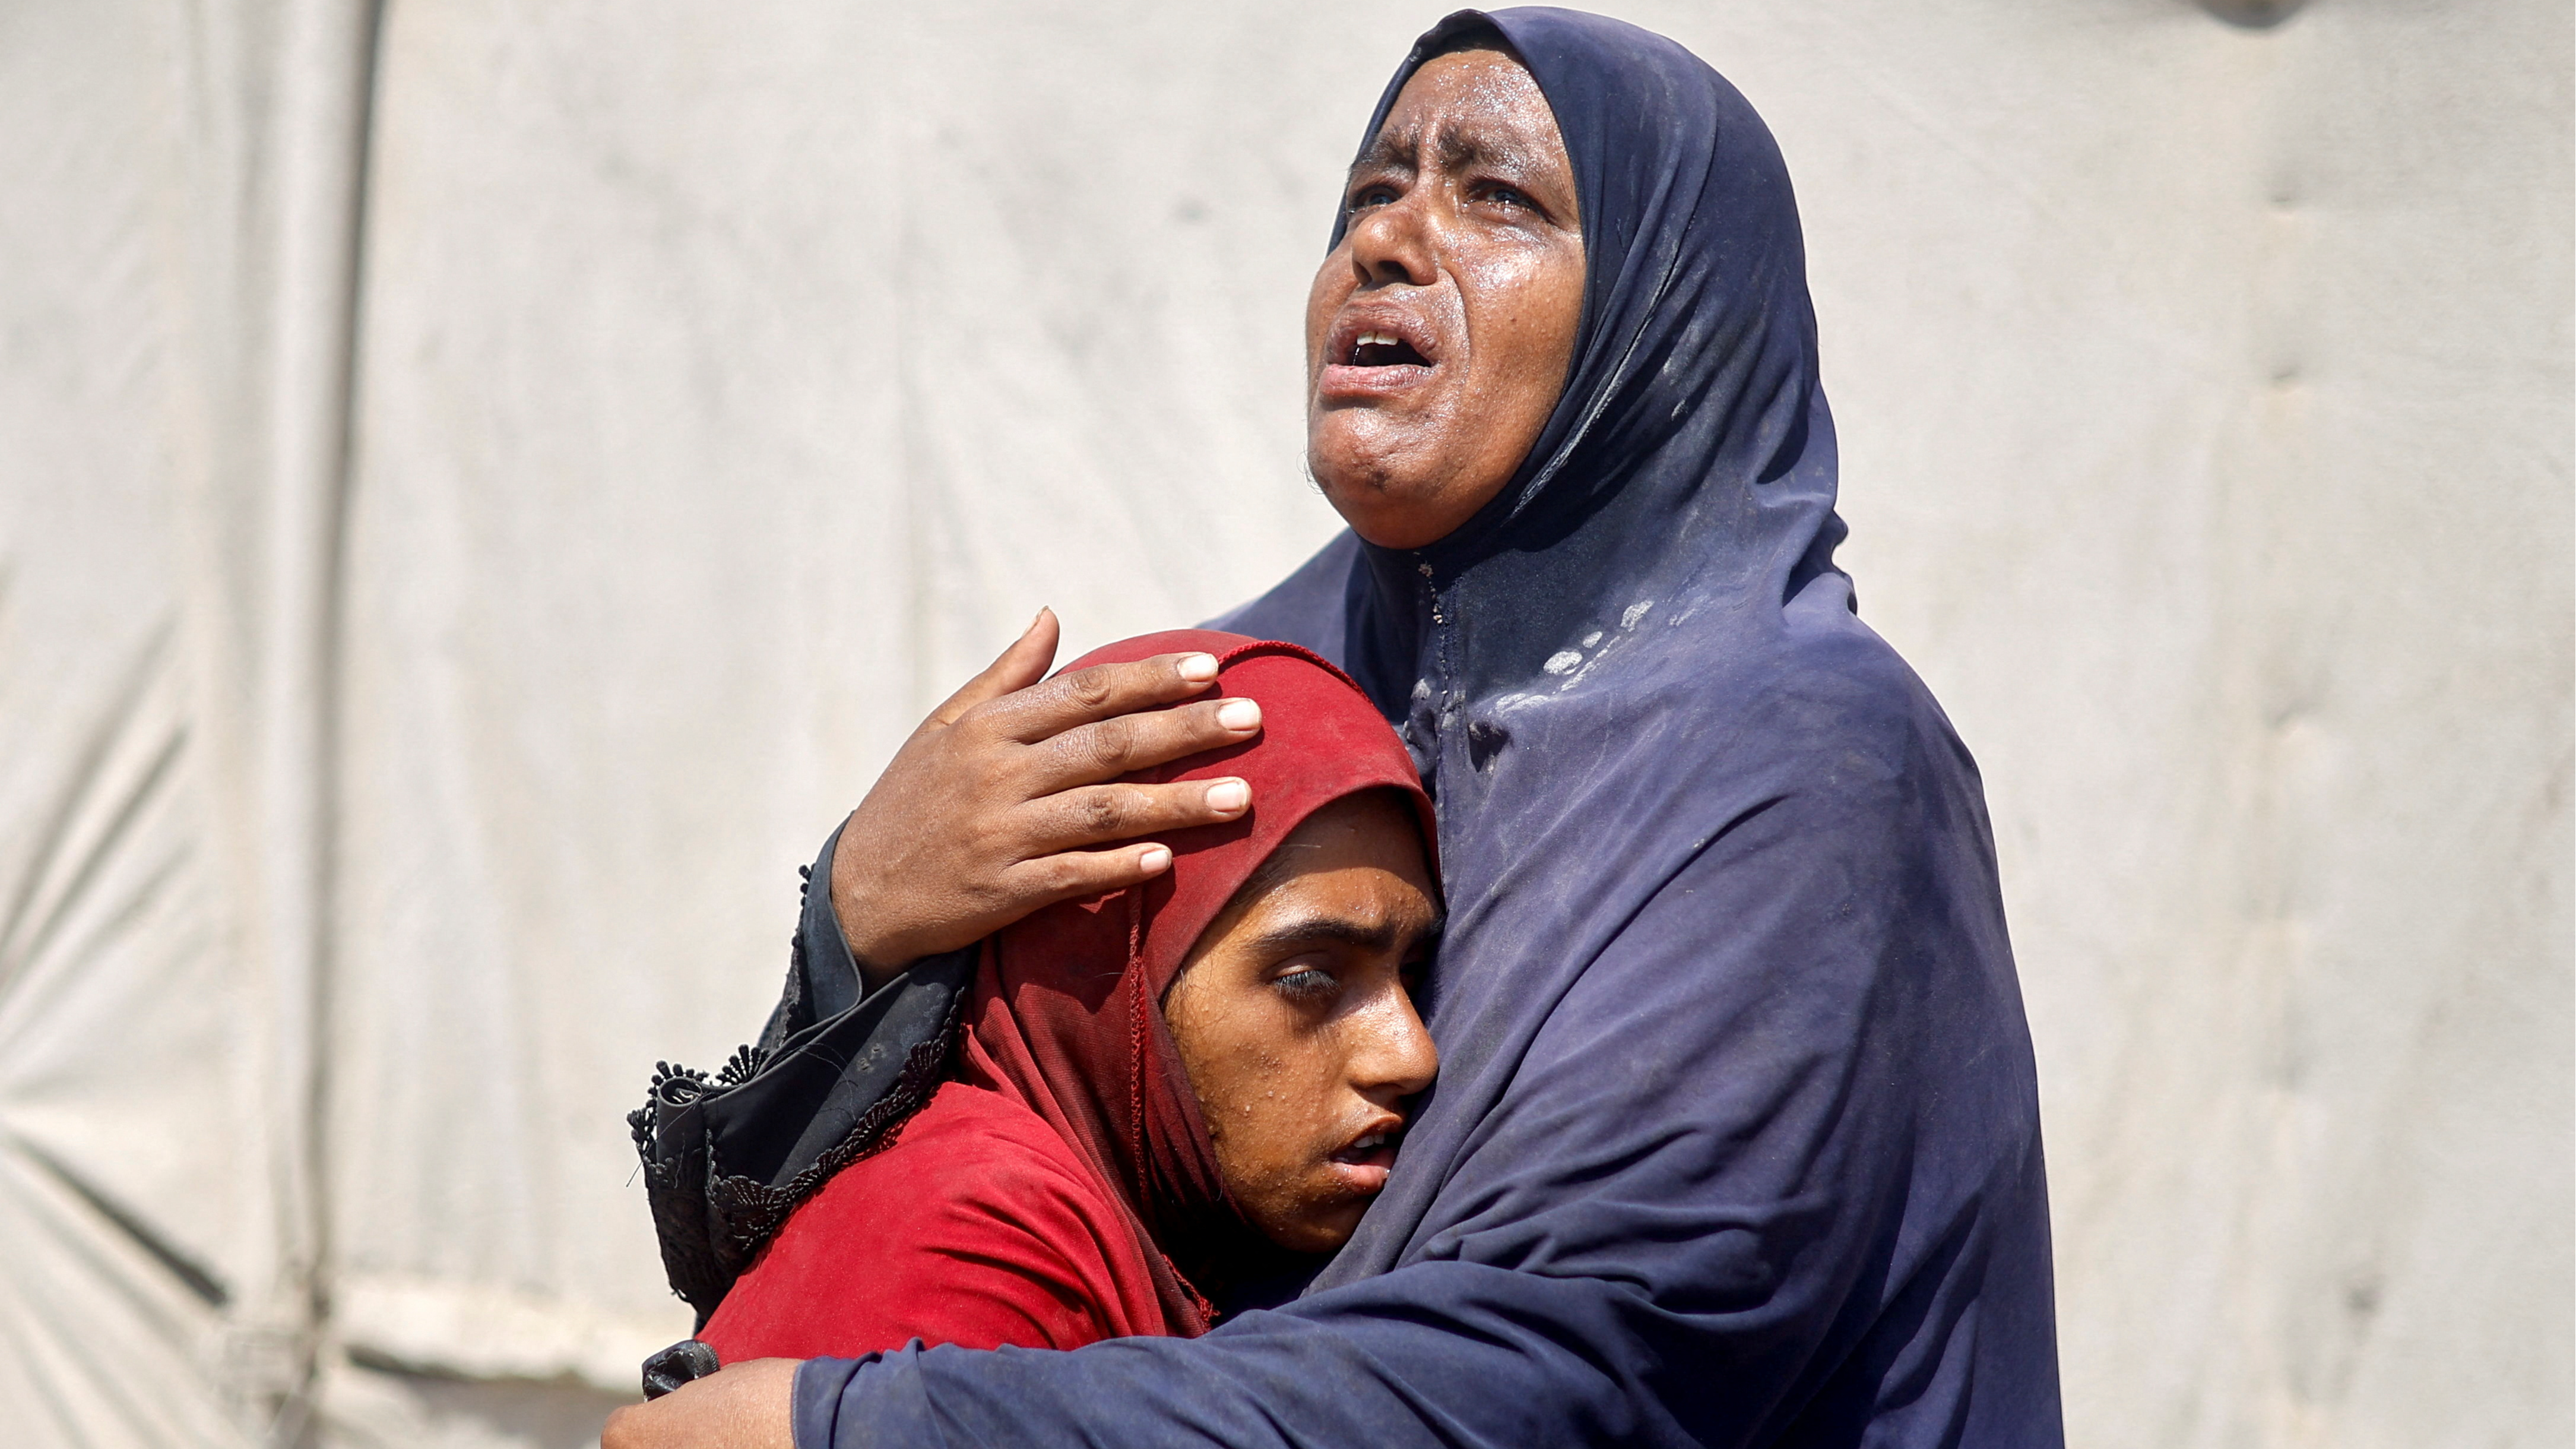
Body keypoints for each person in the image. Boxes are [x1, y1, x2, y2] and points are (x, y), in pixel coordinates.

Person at [610, 8, 2061, 1446]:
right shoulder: (1260, 698)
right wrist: (868, 929)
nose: (1390, 237)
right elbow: (993, 1161)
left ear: (1663, 316)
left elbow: (1585, 1365)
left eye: (1494, 195)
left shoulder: (1793, 765)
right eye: (1369, 191)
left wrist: (864, 1429)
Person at [681, 632, 1439, 1365]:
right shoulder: (976, 1254)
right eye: (1310, 979)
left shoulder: (1165, 1235)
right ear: (1109, 982)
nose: (1411, 1054)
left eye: (1414, 973)